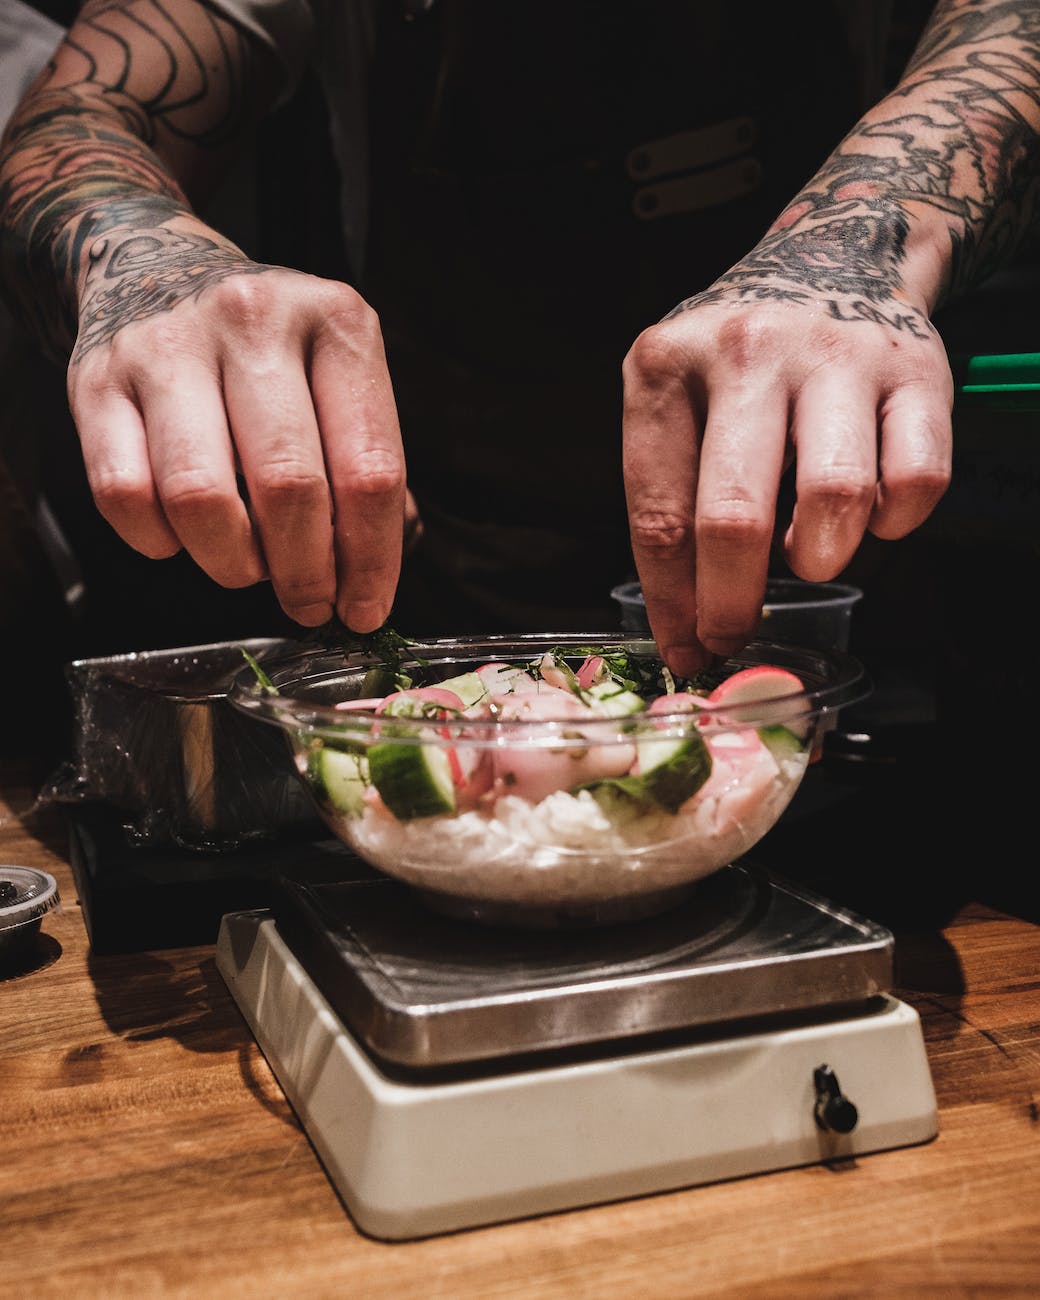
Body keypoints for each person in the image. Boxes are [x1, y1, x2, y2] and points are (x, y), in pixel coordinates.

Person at [0, 0, 1037, 678]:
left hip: (849, 576)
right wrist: (146, 261)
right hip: (454, 588)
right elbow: (81, 112)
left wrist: (842, 256)